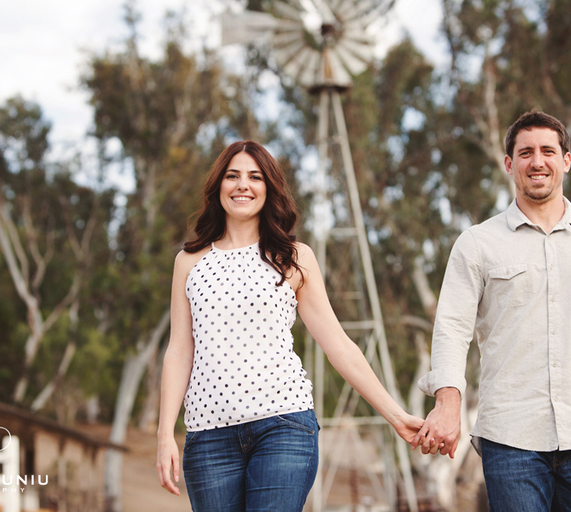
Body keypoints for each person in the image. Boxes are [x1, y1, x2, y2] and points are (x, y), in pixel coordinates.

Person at [156, 140, 423, 511]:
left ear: (269, 188)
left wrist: (396, 416)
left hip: (283, 425)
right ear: (218, 186)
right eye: (232, 176)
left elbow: (338, 345)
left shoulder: (293, 258)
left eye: (255, 177)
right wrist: (165, 432)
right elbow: (180, 351)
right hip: (208, 437)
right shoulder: (189, 262)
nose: (242, 185)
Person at [412, 110, 571, 511]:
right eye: (525, 153)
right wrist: (448, 402)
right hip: (510, 438)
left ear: (566, 160)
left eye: (547, 151)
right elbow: (452, 328)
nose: (537, 161)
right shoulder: (477, 243)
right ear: (509, 164)